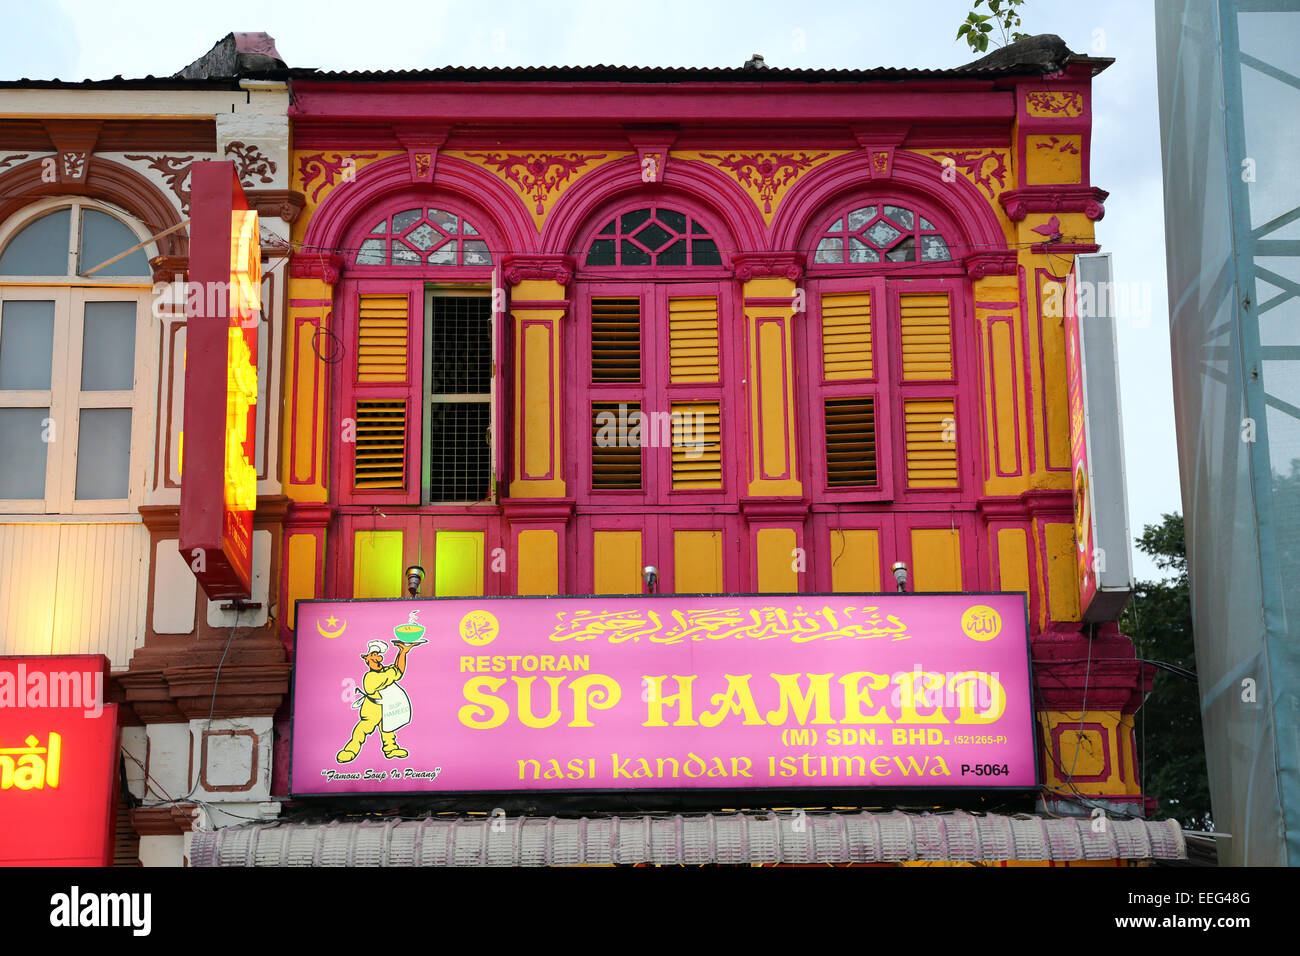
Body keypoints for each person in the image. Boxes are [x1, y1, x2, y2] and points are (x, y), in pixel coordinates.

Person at [336, 638, 419, 763]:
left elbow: (398, 670)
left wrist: (402, 653)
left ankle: (391, 749)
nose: (376, 658)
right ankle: (350, 750)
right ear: (367, 659)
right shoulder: (370, 677)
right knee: (363, 729)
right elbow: (393, 674)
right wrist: (393, 670)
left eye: (378, 655)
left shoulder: (384, 670)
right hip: (372, 708)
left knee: (388, 729)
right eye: (373, 656)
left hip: (387, 706)